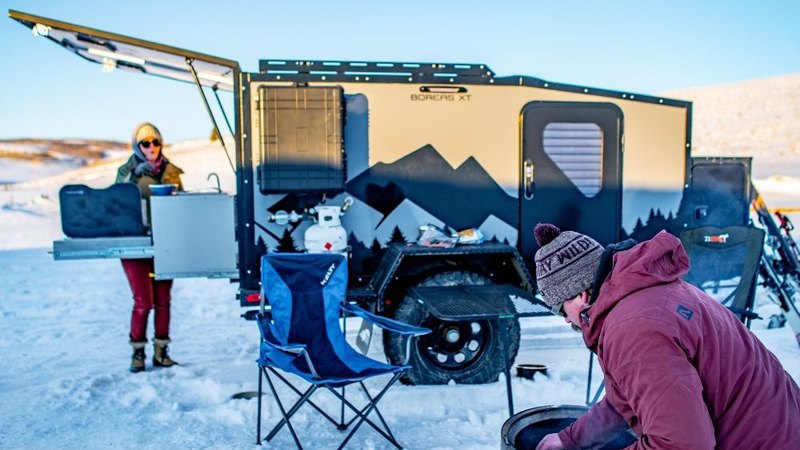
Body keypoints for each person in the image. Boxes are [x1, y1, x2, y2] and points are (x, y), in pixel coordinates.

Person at [531, 223, 800, 450]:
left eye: (559, 308)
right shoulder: (642, 293)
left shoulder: (633, 329)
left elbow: (682, 444)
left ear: (580, 295)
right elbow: (625, 400)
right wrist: (569, 439)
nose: (565, 319)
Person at [116, 122, 184, 373]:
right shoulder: (126, 171)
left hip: (165, 242)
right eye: (146, 143)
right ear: (137, 145)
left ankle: (161, 352)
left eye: (156, 142)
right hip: (135, 243)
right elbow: (117, 200)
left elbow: (181, 206)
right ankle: (137, 353)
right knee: (144, 301)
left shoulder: (171, 172)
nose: (152, 147)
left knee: (163, 300)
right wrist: (134, 177)